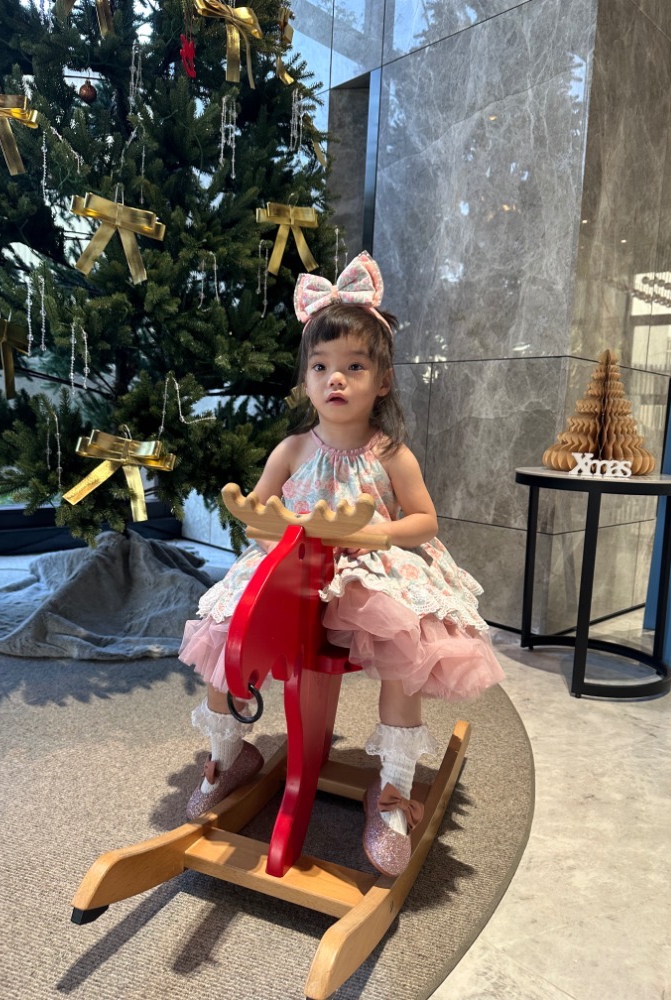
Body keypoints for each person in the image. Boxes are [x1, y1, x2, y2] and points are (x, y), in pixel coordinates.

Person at [178, 251, 505, 876]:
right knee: (225, 628)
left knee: (406, 635)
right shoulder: (292, 448)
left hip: (365, 571)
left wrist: (379, 532)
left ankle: (393, 788)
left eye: (355, 366)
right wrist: (263, 529)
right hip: (294, 572)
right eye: (322, 367)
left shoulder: (391, 453)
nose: (337, 379)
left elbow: (424, 520)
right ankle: (229, 754)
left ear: (382, 381)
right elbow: (257, 512)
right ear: (306, 382)